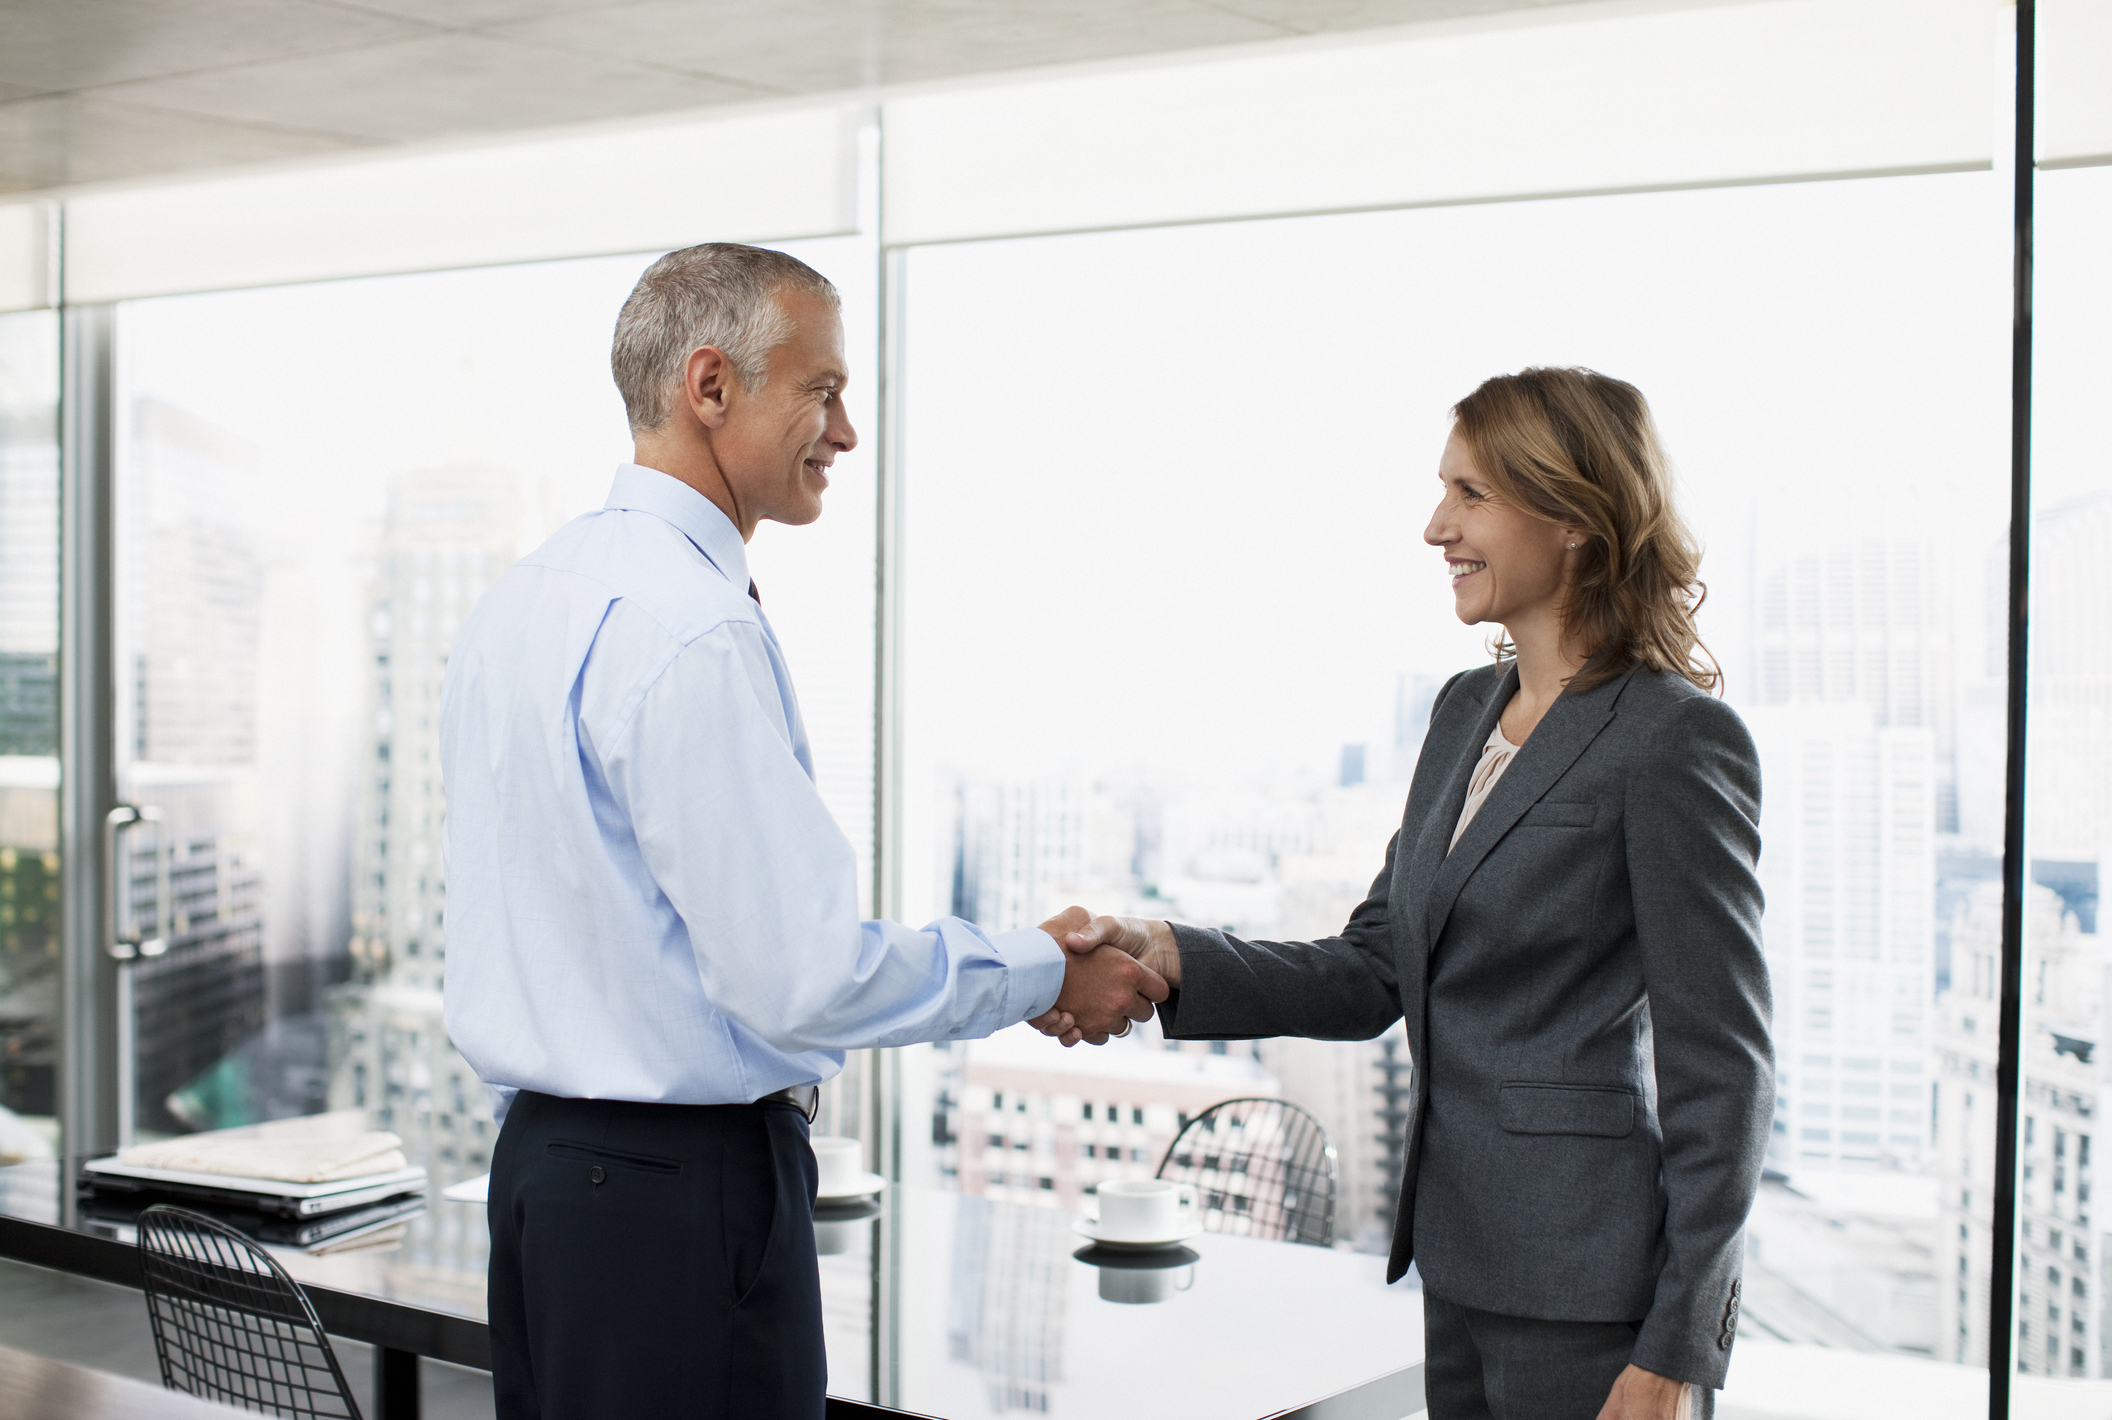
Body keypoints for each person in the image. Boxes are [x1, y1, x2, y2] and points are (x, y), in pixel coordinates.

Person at [438, 242, 1167, 1420]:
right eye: (821, 390)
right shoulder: (691, 626)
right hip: (678, 1195)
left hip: (539, 1182)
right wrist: (1039, 966)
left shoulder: (525, 596)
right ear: (710, 387)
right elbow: (800, 976)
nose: (846, 430)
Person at [1064, 368, 1770, 1420]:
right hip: (1459, 1260)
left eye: (1471, 493)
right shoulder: (1462, 713)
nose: (1437, 524)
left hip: (1592, 1293)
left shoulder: (1672, 738)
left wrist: (1679, 1346)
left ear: (1574, 514)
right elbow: (1373, 965)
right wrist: (1168, 949)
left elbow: (1725, 1065)